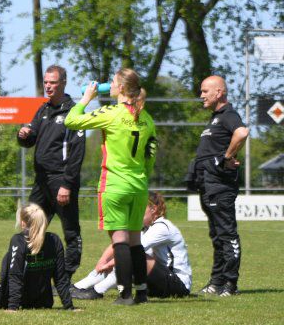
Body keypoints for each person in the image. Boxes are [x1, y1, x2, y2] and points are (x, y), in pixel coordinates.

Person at [65, 68, 157, 305]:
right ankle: (141, 292)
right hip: (139, 187)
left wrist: (86, 98)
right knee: (135, 240)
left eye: (114, 82)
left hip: (115, 185)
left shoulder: (112, 113)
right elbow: (151, 155)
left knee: (120, 240)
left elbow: (71, 121)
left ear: (122, 88)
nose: (111, 85)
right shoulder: (147, 118)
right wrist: (141, 176)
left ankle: (125, 294)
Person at [17, 65, 87, 274]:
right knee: (30, 225)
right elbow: (30, 139)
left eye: (53, 82)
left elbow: (77, 152)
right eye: (46, 82)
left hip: (61, 180)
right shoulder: (43, 109)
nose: (48, 86)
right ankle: (32, 272)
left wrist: (67, 184)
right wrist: (23, 134)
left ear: (63, 83)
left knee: (70, 230)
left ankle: (66, 277)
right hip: (41, 181)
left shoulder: (74, 111)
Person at [190, 76, 248, 296]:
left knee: (227, 234)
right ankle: (217, 281)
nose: (201, 95)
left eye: (205, 91)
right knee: (216, 236)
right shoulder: (215, 118)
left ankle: (231, 284)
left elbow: (242, 132)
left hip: (220, 186)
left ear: (220, 92)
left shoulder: (228, 115)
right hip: (208, 185)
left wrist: (228, 156)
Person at [72, 192, 191, 300]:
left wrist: (109, 265)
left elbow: (130, 250)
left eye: (139, 208)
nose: (135, 212)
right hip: (157, 281)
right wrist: (102, 261)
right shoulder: (145, 227)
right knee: (121, 251)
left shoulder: (162, 227)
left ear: (153, 209)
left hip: (178, 285)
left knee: (134, 255)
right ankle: (78, 287)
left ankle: (97, 291)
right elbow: (119, 244)